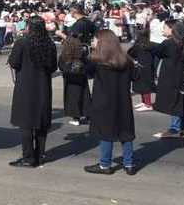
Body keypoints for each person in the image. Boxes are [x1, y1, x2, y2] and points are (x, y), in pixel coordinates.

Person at [83, 29, 139, 176]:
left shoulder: (97, 61)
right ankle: (129, 163)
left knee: (105, 133)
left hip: (103, 101)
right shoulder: (126, 61)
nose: (92, 42)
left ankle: (105, 164)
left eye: (94, 40)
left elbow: (85, 72)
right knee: (125, 132)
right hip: (123, 100)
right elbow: (136, 76)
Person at [7, 16, 57, 168]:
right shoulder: (50, 43)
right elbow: (53, 67)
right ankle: (39, 154)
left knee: (26, 123)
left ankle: (28, 157)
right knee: (41, 122)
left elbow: (14, 62)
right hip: (43, 86)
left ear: (29, 27)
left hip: (25, 86)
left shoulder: (22, 42)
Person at [151, 20, 184, 138]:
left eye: (165, 28)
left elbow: (157, 52)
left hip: (171, 76)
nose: (163, 30)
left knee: (174, 102)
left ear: (173, 30)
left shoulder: (169, 43)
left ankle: (174, 128)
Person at [59, 32, 92, 126]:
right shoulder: (82, 52)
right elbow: (88, 64)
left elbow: (61, 66)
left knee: (73, 98)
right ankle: (87, 115)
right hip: (81, 77)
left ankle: (76, 118)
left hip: (70, 79)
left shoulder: (65, 55)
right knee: (85, 95)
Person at [128, 28, 157, 112]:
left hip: (140, 66)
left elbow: (130, 53)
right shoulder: (151, 45)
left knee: (143, 86)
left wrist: (134, 61)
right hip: (149, 67)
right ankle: (145, 102)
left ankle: (147, 104)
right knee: (145, 85)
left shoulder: (137, 45)